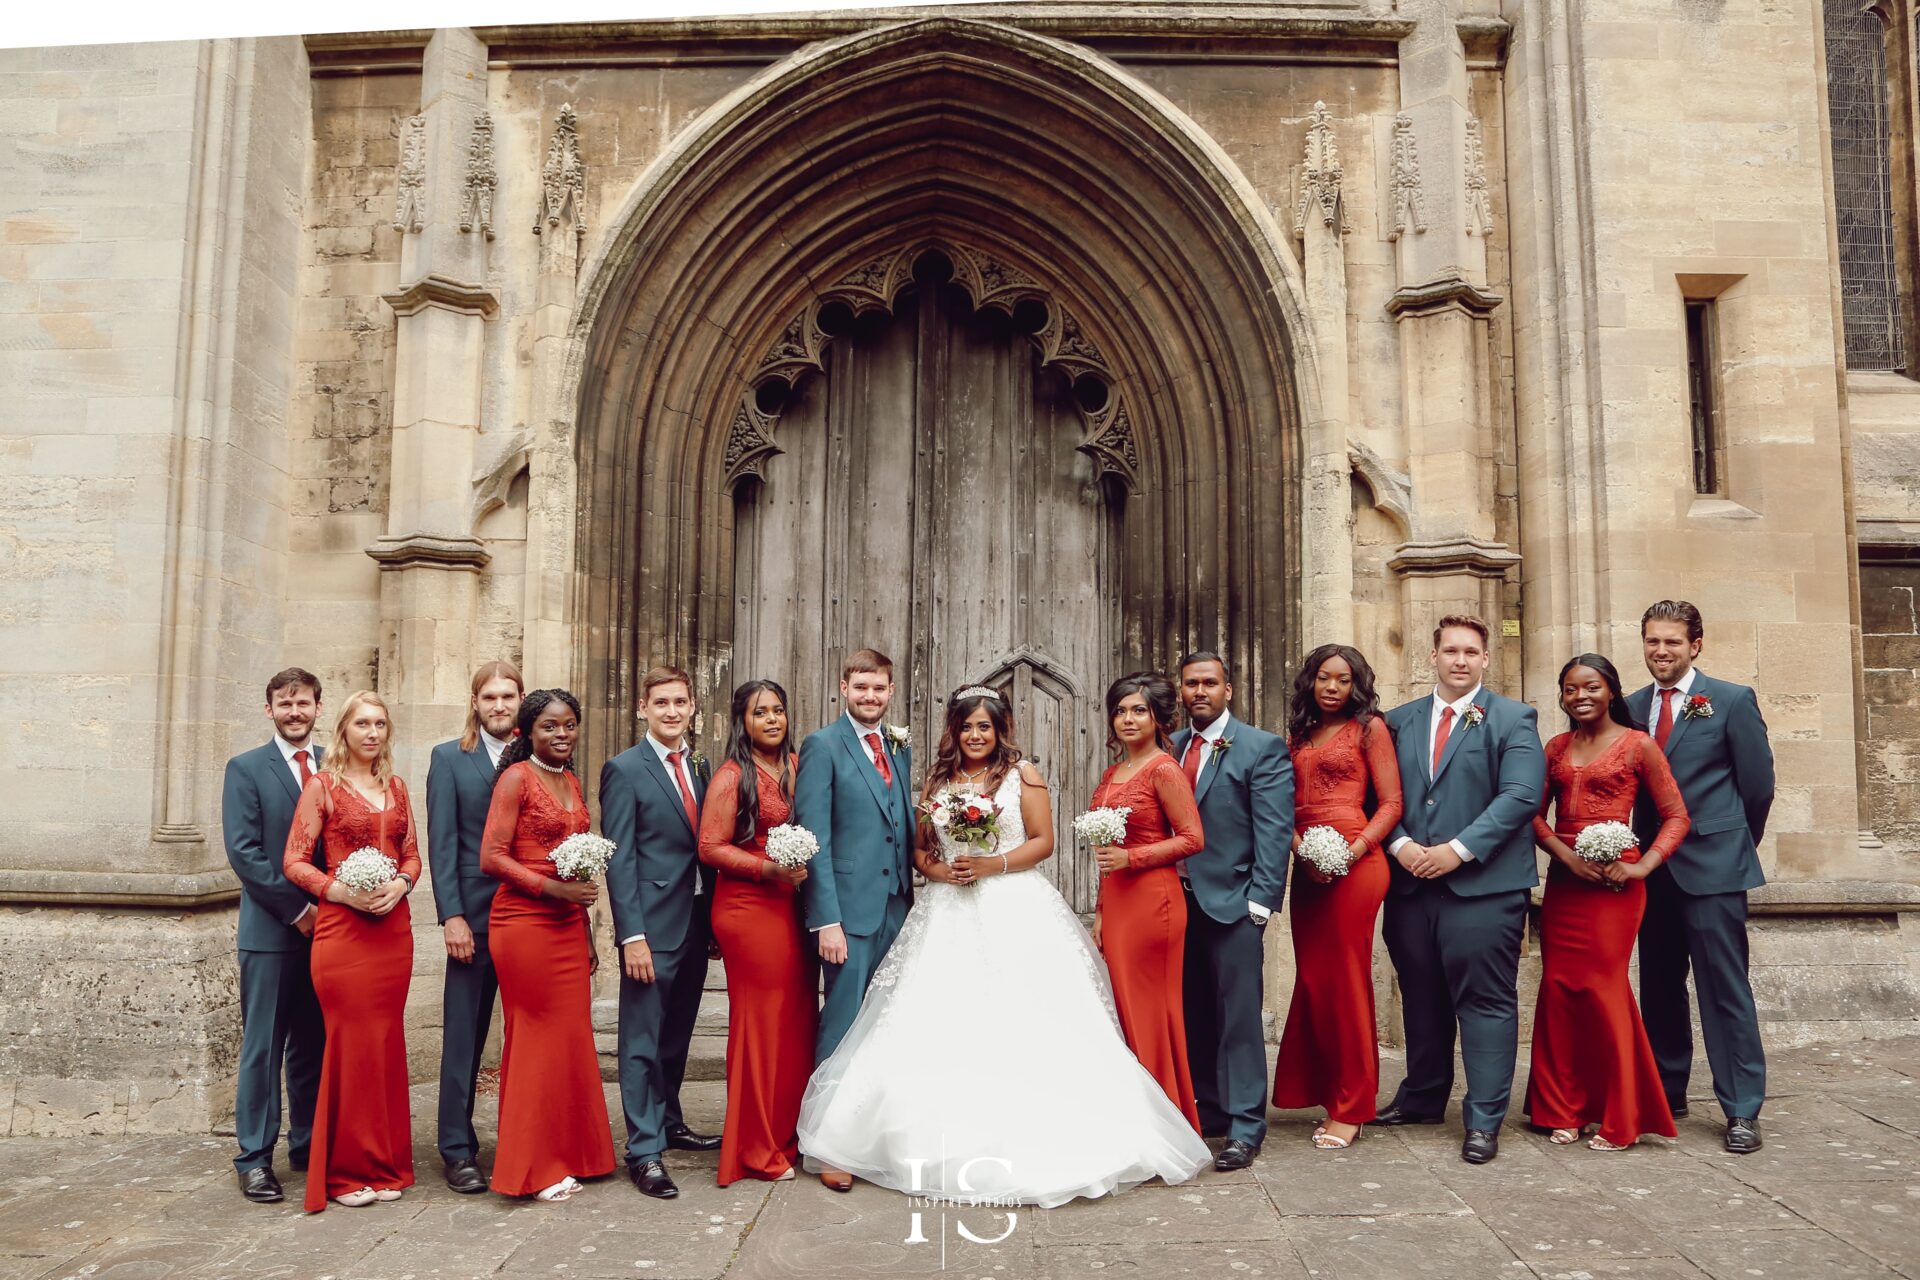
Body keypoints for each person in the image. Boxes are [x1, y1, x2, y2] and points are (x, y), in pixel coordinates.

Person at [797, 687, 1211, 1205]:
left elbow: (1043, 841)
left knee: (1027, 1014)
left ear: (1000, 730)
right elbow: (922, 849)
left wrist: (994, 864)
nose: (975, 735)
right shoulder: (939, 779)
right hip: (947, 910)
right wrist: (939, 871)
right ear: (956, 730)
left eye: (985, 727)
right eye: (967, 726)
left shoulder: (1024, 775)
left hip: (1013, 905)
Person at [1375, 615, 1545, 1165]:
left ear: (1485, 659)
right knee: (1421, 997)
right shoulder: (1397, 723)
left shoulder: (1513, 719)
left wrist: (1458, 850)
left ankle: (1484, 1118)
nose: (1460, 660)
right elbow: (1379, 796)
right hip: (1410, 884)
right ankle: (1423, 1097)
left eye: (1472, 652)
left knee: (1485, 1002)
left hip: (1484, 889)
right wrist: (1400, 847)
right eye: (1451, 650)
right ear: (1433, 657)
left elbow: (1520, 796)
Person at [1629, 600, 1775, 1154]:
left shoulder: (1732, 701)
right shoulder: (1631, 706)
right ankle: (1667, 1092)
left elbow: (1757, 785)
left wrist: (1732, 845)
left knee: (1723, 989)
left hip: (1714, 868)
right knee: (1659, 985)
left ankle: (1741, 1108)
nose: (1660, 651)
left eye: (1671, 642)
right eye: (1652, 642)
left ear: (1696, 645)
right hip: (1652, 869)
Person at [1527, 654, 1689, 1150]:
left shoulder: (1639, 746)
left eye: (1592, 687)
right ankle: (1564, 1108)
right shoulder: (1555, 747)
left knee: (1603, 987)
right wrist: (1565, 857)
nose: (1581, 696)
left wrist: (1642, 866)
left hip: (1617, 882)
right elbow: (1533, 818)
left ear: (1611, 691)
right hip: (1567, 882)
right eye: (1571, 689)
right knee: (1558, 988)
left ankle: (1621, 1115)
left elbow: (1676, 816)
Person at [282, 691, 421, 1211]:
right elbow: (294, 860)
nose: (372, 732)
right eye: (362, 723)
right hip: (343, 930)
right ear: (343, 729)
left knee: (385, 1044)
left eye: (380, 724)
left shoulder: (398, 786)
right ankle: (343, 1172)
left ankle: (385, 1165)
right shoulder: (323, 786)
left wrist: (402, 885)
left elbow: (412, 854)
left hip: (393, 929)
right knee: (350, 1044)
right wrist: (338, 890)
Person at [479, 688, 616, 1201]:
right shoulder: (516, 779)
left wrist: (582, 929)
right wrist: (551, 889)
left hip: (564, 925)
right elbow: (491, 856)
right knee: (535, 1037)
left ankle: (575, 1152)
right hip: (523, 922)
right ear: (527, 732)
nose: (562, 734)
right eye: (550, 727)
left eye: (569, 725)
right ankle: (531, 1167)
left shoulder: (571, 780)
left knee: (569, 1037)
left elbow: (577, 862)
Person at [1270, 644, 1405, 1151]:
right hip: (1306, 864)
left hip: (1358, 861)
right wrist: (1301, 850)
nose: (1332, 688)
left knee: (1346, 980)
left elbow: (1392, 803)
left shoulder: (1369, 730)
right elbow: (1280, 804)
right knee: (1316, 979)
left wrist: (1352, 852)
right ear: (1310, 682)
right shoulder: (1297, 735)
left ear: (1356, 686)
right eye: (1324, 678)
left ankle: (1352, 1106)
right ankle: (1323, 1090)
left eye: (1343, 680)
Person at [795, 648, 916, 1192]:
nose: (870, 697)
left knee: (887, 1026)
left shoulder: (897, 746)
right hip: (848, 913)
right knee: (842, 1024)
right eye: (861, 687)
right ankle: (827, 1146)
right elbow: (813, 838)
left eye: (879, 689)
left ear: (891, 691)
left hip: (898, 906)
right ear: (844, 686)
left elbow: (901, 822)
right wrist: (826, 920)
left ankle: (875, 1136)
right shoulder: (823, 746)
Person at [602, 666, 722, 1200]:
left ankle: (670, 1120)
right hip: (651, 926)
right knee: (641, 1041)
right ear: (642, 709)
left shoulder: (698, 765)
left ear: (692, 707)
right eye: (662, 703)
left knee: (676, 1035)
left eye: (680, 702)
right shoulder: (624, 769)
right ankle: (644, 1151)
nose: (672, 711)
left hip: (696, 921)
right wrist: (631, 936)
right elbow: (620, 859)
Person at [1171, 652, 1293, 1170]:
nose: (1200, 691)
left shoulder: (1260, 747)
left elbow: (1273, 830)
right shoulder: (1170, 747)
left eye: (1210, 683)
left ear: (1229, 689)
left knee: (1239, 1020)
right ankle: (1211, 1112)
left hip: (1233, 904)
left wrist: (1259, 906)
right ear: (1180, 691)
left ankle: (1246, 1124)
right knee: (1193, 1013)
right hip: (1177, 905)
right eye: (1191, 684)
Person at [698, 680, 814, 1185]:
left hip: (793, 907)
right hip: (748, 907)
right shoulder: (731, 776)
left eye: (779, 710)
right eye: (760, 712)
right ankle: (754, 1146)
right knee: (760, 1024)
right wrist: (768, 871)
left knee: (795, 1021)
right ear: (742, 721)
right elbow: (709, 846)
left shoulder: (795, 764)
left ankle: (787, 1136)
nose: (772, 719)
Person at [222, 668, 328, 1204]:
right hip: (270, 933)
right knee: (263, 1046)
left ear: (318, 707)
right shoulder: (245, 769)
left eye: (303, 703)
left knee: (313, 1046)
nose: (294, 712)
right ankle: (254, 1159)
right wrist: (297, 910)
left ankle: (309, 1151)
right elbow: (244, 853)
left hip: (330, 935)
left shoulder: (335, 767)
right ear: (269, 710)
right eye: (284, 704)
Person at [1090, 671, 1205, 1131]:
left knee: (1151, 1011)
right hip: (1117, 903)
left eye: (1138, 710)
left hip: (1154, 901)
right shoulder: (1112, 772)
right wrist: (1100, 912)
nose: (1127, 719)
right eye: (1120, 710)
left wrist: (1131, 858)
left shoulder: (1163, 769)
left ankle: (1167, 1125)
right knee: (1124, 1009)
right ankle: (1137, 1119)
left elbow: (1194, 838)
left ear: (1159, 717)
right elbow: (1105, 853)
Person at [425, 660, 522, 1194]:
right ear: (475, 703)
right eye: (490, 697)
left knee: (527, 1037)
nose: (499, 705)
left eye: (508, 696)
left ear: (520, 700)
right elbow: (442, 844)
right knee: (464, 1037)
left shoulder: (536, 755)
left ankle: (524, 1139)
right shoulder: (449, 759)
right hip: (475, 923)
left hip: (529, 920)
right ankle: (457, 1148)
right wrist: (452, 916)